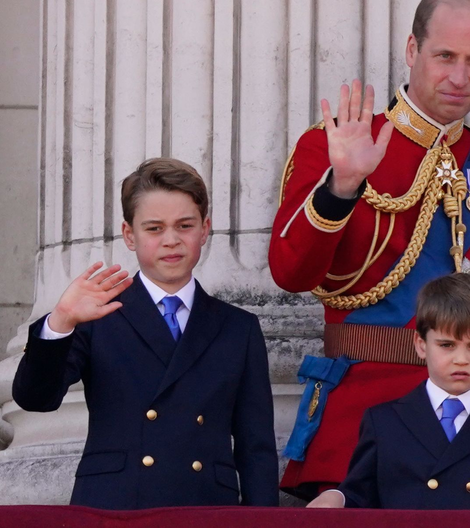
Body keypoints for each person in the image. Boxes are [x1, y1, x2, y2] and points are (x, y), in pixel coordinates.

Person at [271, 0, 470, 499]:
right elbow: (289, 272)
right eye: (445, 57)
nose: (461, 77)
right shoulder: (338, 142)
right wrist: (342, 186)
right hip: (358, 427)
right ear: (412, 51)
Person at [13, 158, 279, 510]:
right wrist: (60, 321)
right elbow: (35, 399)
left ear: (205, 229)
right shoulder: (97, 315)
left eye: (184, 225)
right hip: (114, 507)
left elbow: (256, 446)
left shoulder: (238, 328)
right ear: (129, 235)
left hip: (206, 507)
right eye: (154, 228)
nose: (171, 240)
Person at [306, 273, 470, 510]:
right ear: (421, 345)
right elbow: (360, 497)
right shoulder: (384, 423)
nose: (461, 359)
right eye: (446, 345)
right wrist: (338, 497)